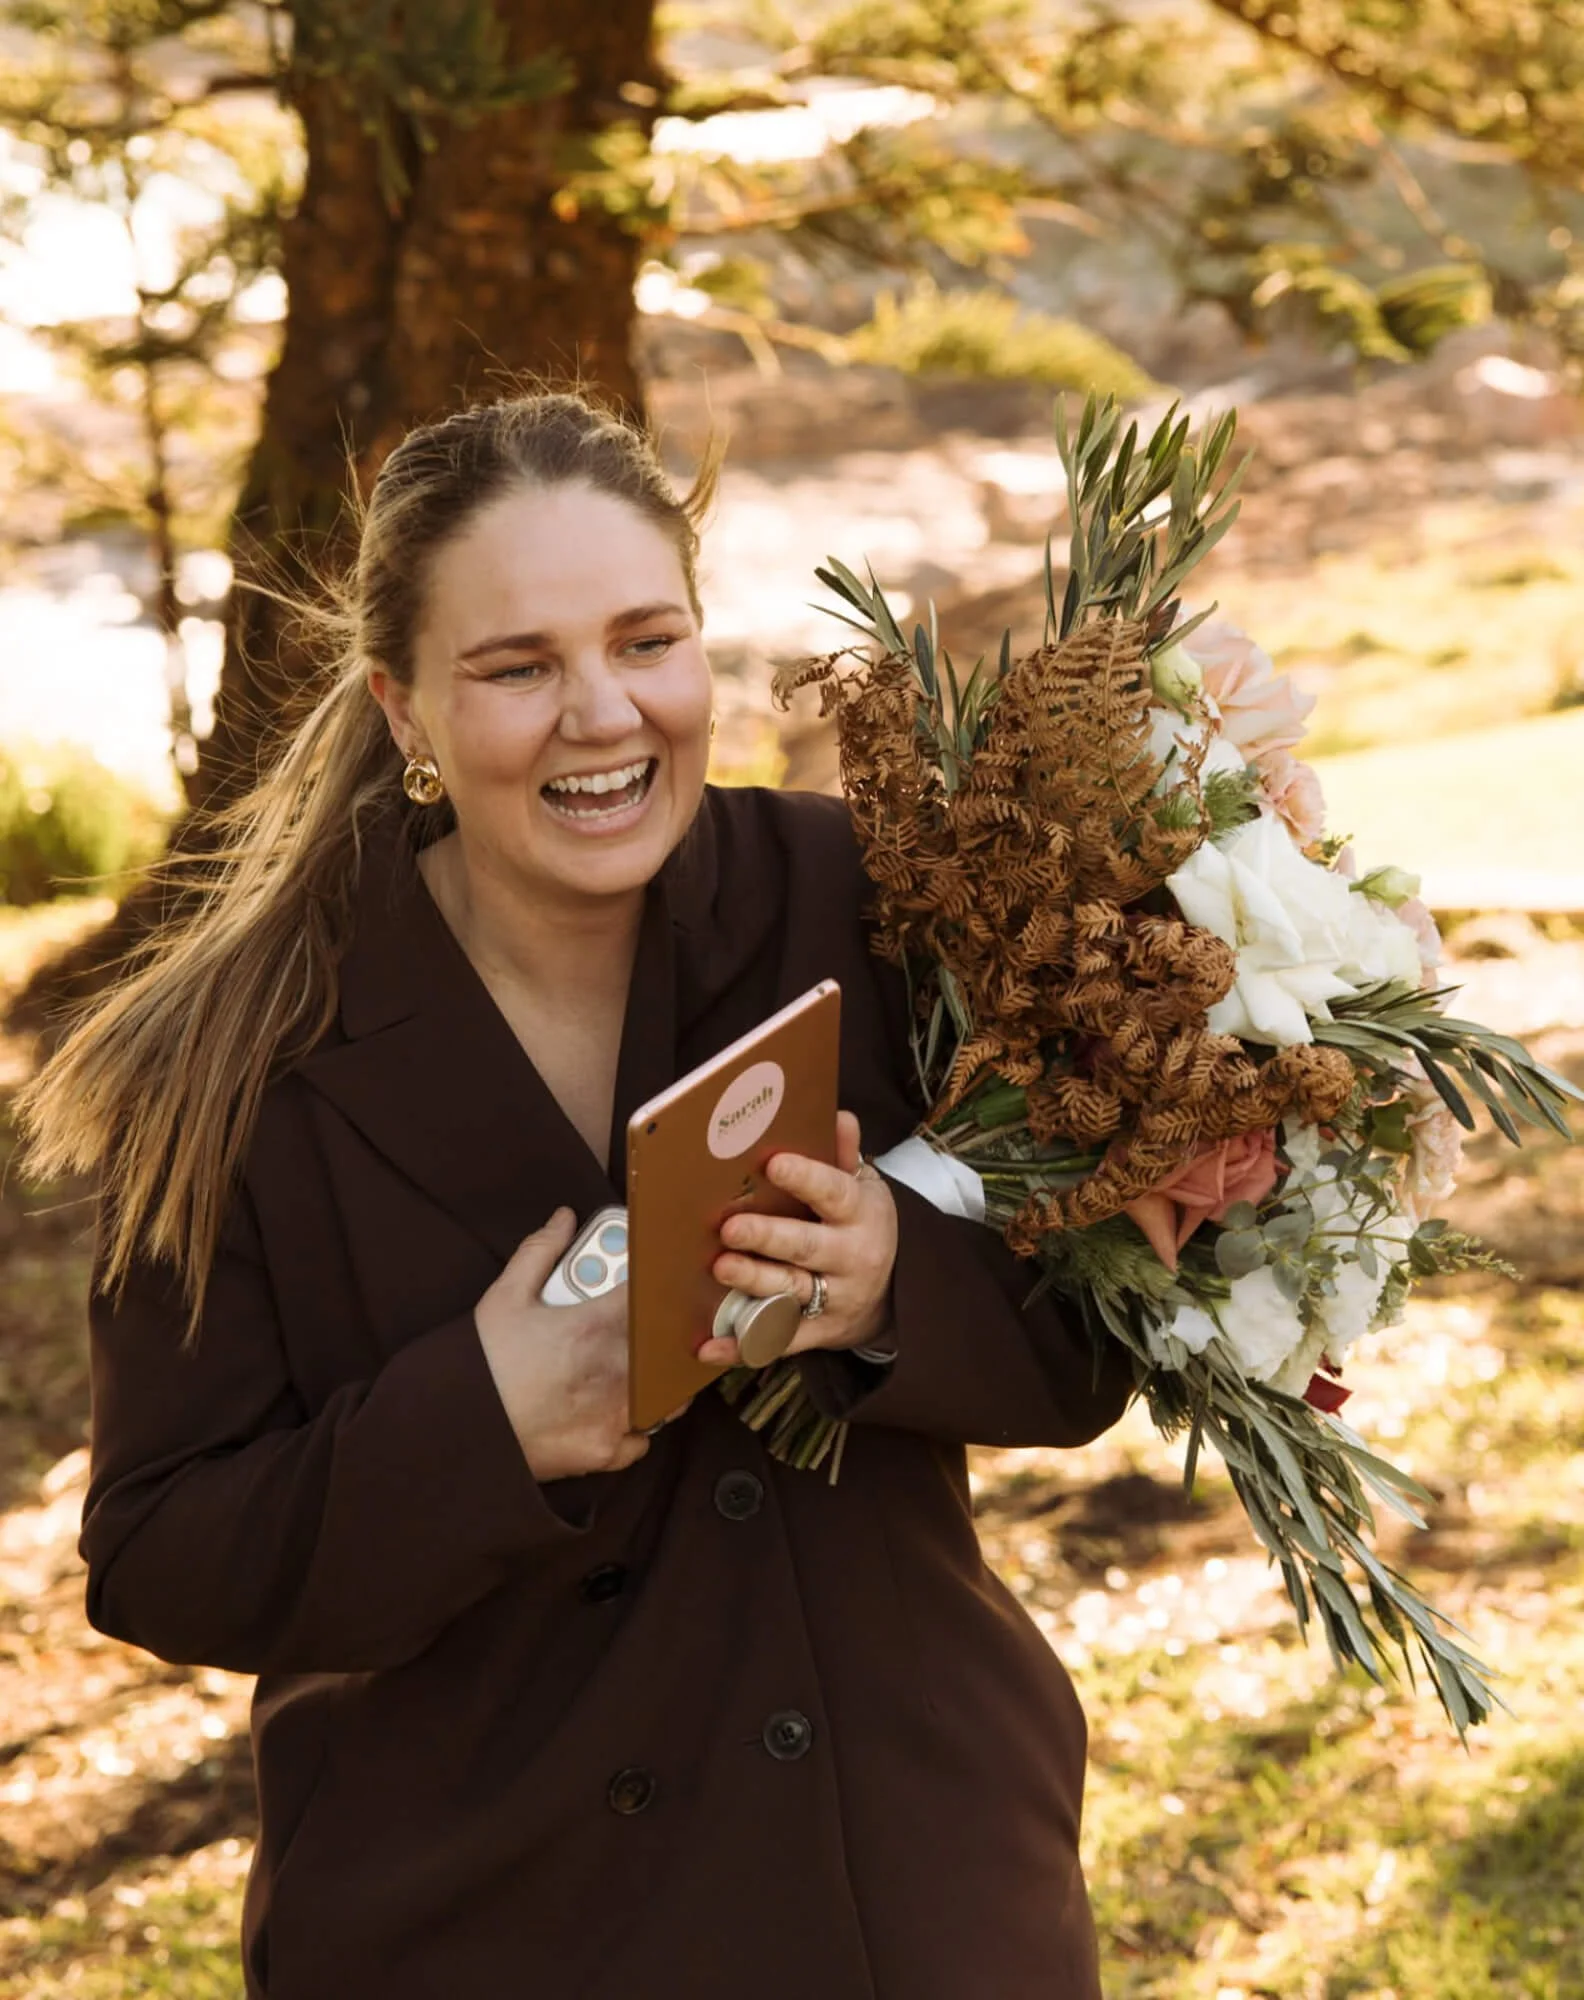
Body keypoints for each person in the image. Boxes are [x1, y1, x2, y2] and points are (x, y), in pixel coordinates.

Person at [21, 391, 1133, 1999]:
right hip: (476, 1922)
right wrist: (482, 1422)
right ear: (404, 711)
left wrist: (900, 1283)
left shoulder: (870, 899)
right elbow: (157, 1552)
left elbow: (1095, 1336)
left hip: (902, 1883)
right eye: (517, 667)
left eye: (645, 641)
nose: (602, 715)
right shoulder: (231, 1063)